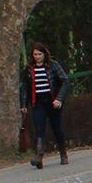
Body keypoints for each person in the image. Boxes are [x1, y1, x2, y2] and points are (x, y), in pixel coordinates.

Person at [25, 41, 69, 170]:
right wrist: (24, 104)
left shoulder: (53, 65)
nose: (37, 56)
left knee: (57, 128)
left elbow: (65, 81)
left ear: (44, 54)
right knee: (39, 129)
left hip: (52, 101)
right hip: (38, 102)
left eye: (39, 54)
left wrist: (59, 99)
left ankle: (63, 153)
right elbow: (25, 87)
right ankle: (39, 156)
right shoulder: (29, 68)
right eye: (35, 54)